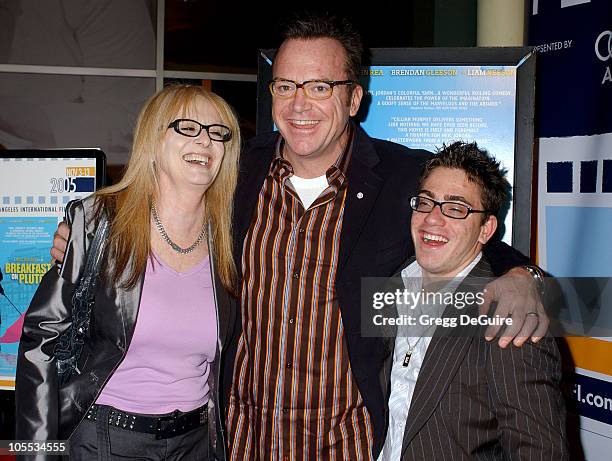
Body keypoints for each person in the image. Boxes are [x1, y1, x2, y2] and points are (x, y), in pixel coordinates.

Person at [51, 15, 547, 460]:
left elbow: (463, 223)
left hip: (345, 445)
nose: (299, 104)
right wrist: (86, 242)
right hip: (237, 442)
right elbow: (158, 201)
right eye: (286, 86)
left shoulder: (400, 176)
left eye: (319, 87)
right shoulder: (236, 172)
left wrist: (522, 273)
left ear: (354, 98)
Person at [16, 84, 240, 460]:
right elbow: (41, 342)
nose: (205, 141)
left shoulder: (232, 238)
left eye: (218, 133)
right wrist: (37, 454)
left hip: (197, 443)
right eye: (187, 127)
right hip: (106, 440)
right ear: (153, 140)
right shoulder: (99, 221)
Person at [377, 141, 568, 460]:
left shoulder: (511, 315)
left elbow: (540, 452)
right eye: (425, 203)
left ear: (486, 229)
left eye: (455, 208)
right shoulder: (391, 283)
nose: (432, 219)